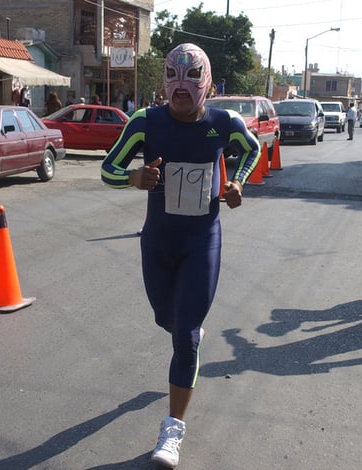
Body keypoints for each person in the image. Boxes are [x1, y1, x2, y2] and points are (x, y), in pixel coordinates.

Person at [101, 43, 260, 468]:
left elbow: (252, 149)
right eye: (173, 75)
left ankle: (172, 429)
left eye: (192, 76)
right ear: (164, 82)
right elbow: (107, 169)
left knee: (185, 333)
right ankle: (185, 330)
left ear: (206, 82)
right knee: (166, 321)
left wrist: (239, 183)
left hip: (201, 238)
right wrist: (134, 177)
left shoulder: (223, 122)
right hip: (158, 240)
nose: (182, 85)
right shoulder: (145, 121)